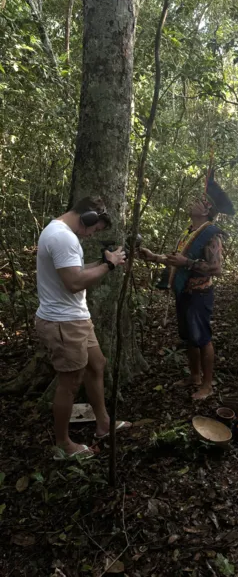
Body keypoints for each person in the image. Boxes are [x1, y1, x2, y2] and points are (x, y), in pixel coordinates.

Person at [35, 196, 131, 460]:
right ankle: (63, 444)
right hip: (63, 322)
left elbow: (73, 271)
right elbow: (74, 283)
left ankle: (103, 424)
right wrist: (107, 265)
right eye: (94, 228)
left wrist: (105, 263)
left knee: (96, 364)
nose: (91, 234)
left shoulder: (59, 232)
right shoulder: (63, 237)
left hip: (76, 318)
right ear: (88, 217)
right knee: (70, 382)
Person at [139, 170, 235, 400]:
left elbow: (217, 269)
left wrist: (189, 263)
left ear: (207, 210)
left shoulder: (211, 235)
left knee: (202, 338)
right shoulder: (189, 231)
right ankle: (194, 376)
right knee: (188, 336)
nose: (194, 202)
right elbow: (177, 260)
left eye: (199, 201)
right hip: (183, 292)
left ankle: (208, 385)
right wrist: (153, 257)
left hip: (199, 294)